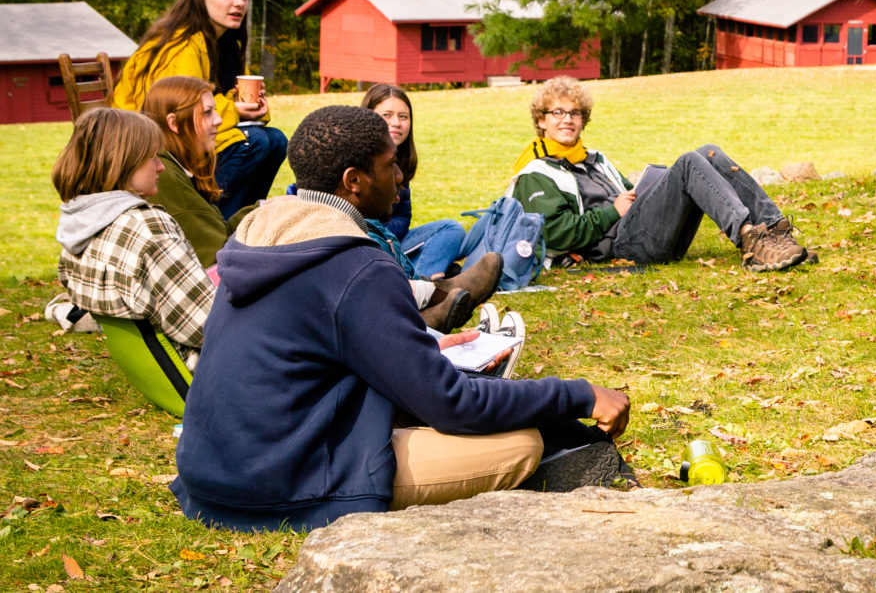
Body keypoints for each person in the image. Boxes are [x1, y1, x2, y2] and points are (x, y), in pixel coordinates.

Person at [170, 105, 632, 531]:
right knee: (521, 446)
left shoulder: (259, 238)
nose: (400, 178)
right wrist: (577, 395)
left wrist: (421, 349)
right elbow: (452, 405)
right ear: (354, 180)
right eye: (390, 166)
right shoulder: (356, 267)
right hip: (284, 486)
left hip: (212, 471)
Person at [508, 76, 811, 272]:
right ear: (541, 120)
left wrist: (648, 190)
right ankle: (750, 240)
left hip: (639, 232)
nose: (567, 120)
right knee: (689, 163)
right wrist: (612, 213)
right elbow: (553, 234)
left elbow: (631, 195)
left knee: (708, 152)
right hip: (619, 247)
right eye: (557, 113)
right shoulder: (536, 172)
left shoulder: (594, 158)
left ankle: (775, 234)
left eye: (575, 113)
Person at [112, 0, 287, 219]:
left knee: (276, 141)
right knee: (255, 143)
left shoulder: (227, 43)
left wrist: (250, 105)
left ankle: (243, 221)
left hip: (193, 131)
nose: (239, 3)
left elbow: (226, 97)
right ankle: (212, 221)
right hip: (154, 138)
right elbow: (182, 111)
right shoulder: (183, 44)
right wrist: (236, 110)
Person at [52, 108, 214, 369]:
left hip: (164, 374)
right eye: (151, 158)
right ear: (120, 162)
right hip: (210, 374)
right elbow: (209, 326)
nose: (161, 166)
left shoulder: (79, 224)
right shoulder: (146, 227)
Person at [141, 75, 254, 268]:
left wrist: (263, 209)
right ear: (174, 123)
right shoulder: (164, 176)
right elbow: (217, 260)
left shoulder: (171, 162)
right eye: (207, 113)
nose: (218, 120)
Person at [361, 83, 468, 278]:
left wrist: (388, 233)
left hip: (392, 242)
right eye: (387, 115)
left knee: (451, 230)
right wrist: (380, 232)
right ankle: (423, 283)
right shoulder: (354, 159)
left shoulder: (400, 162)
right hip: (362, 246)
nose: (396, 123)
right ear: (368, 116)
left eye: (403, 116)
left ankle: (420, 275)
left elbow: (403, 218)